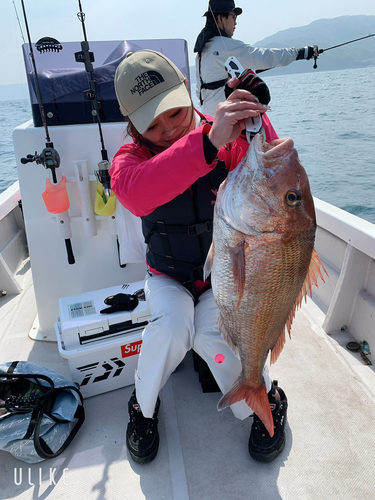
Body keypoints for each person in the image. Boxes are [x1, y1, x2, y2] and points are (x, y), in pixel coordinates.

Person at [110, 49, 288, 465]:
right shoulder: (129, 161)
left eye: (174, 113)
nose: (169, 131)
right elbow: (137, 193)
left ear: (187, 90)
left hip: (219, 279)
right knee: (171, 328)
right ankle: (143, 408)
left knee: (214, 339)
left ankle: (262, 400)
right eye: (152, 125)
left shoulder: (224, 137)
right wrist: (205, 142)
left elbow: (272, 173)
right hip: (167, 278)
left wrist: (255, 116)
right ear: (133, 127)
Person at [195, 0, 319, 116]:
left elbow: (200, 91)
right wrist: (300, 53)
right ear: (220, 19)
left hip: (210, 119)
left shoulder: (202, 50)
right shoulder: (225, 45)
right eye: (233, 16)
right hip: (229, 120)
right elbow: (264, 57)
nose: (235, 22)